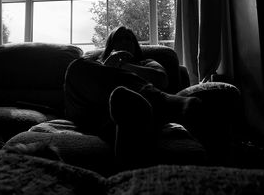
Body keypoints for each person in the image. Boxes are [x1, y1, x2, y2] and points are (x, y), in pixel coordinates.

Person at [64, 26, 202, 170]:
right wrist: (109, 67)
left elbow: (161, 80)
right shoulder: (93, 64)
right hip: (94, 110)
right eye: (119, 39)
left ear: (135, 45)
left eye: (129, 39)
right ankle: (166, 104)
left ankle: (134, 111)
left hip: (127, 114)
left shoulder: (146, 62)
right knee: (76, 66)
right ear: (110, 45)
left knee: (124, 99)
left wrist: (124, 65)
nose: (124, 42)